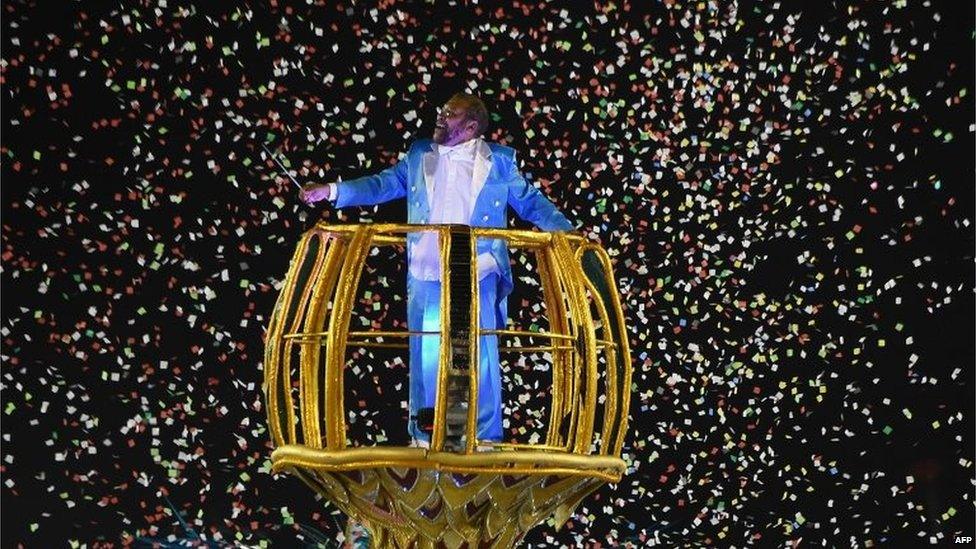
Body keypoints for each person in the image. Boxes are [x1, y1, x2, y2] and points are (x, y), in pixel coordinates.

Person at [300, 92, 574, 446]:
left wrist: (567, 233)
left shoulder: (501, 161)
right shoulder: (419, 155)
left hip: (478, 269)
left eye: (451, 112)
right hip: (428, 270)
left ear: (472, 125)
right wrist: (332, 191)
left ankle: (485, 436)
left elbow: (531, 202)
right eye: (442, 110)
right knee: (427, 353)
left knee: (480, 353)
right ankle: (426, 435)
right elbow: (382, 184)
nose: (441, 116)